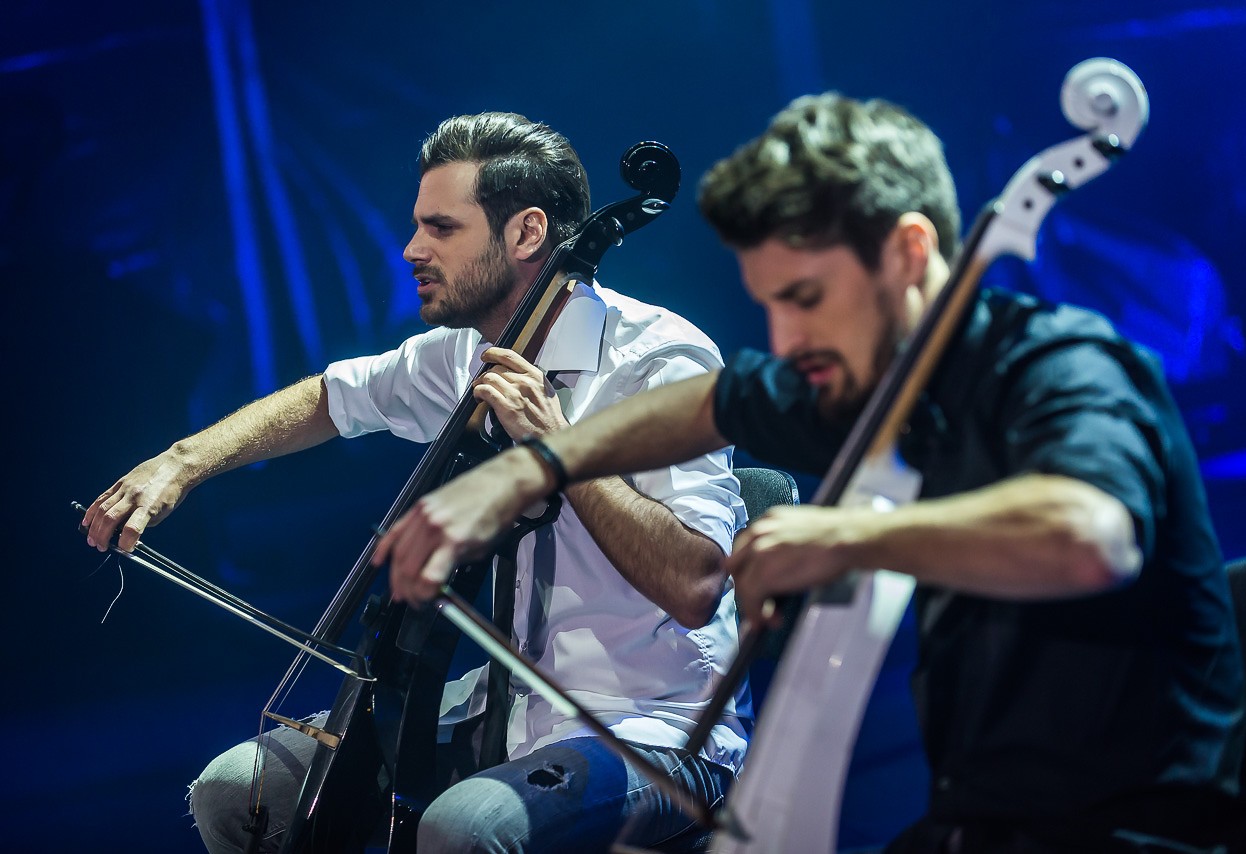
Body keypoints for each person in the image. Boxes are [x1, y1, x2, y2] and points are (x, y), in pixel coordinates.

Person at [373, 94, 1246, 853]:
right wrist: (536, 465)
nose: (788, 339)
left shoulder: (1068, 369)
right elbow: (711, 402)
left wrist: (852, 535)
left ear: (909, 254)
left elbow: (1090, 536)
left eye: (806, 299)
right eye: (770, 304)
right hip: (979, 823)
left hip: (1137, 835)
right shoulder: (868, 380)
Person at [81, 112, 750, 853]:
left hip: (653, 725)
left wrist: (560, 448)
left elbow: (695, 584)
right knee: (236, 792)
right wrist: (181, 462)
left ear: (527, 233)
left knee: (464, 830)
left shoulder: (661, 361)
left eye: (441, 228)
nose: (411, 249)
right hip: (508, 708)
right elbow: (329, 397)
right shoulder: (466, 355)